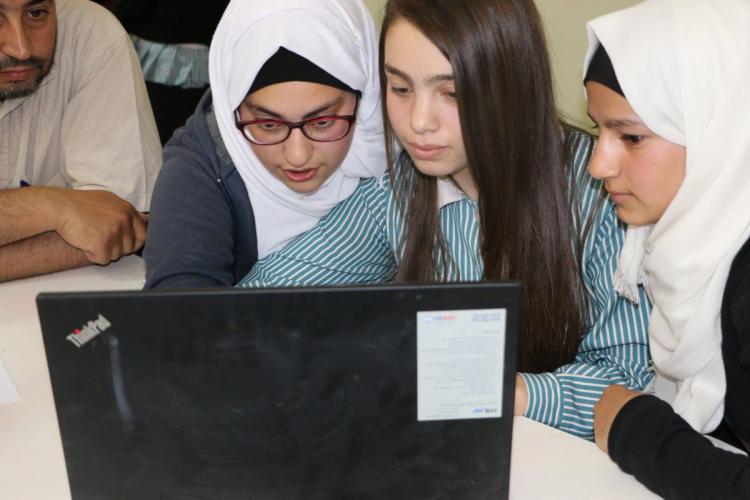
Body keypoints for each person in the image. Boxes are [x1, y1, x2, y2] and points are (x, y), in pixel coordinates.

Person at [238, 0, 652, 440]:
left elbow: (631, 375)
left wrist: (505, 392)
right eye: (400, 89)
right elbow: (263, 302)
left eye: (451, 93)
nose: (418, 123)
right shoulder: (398, 188)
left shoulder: (602, 188)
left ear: (512, 83)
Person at [583, 0, 750, 498]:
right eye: (598, 129)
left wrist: (637, 429)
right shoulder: (691, 247)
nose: (598, 165)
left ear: (717, 132)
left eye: (631, 136)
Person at [143, 0, 385, 289]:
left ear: (365, 94)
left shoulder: (411, 148)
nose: (297, 156)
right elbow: (181, 309)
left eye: (322, 123)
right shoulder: (199, 171)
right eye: (268, 125)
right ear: (231, 105)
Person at [0, 0, 161, 282]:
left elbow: (121, 226)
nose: (21, 48)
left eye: (35, 13)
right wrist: (50, 205)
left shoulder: (89, 33)